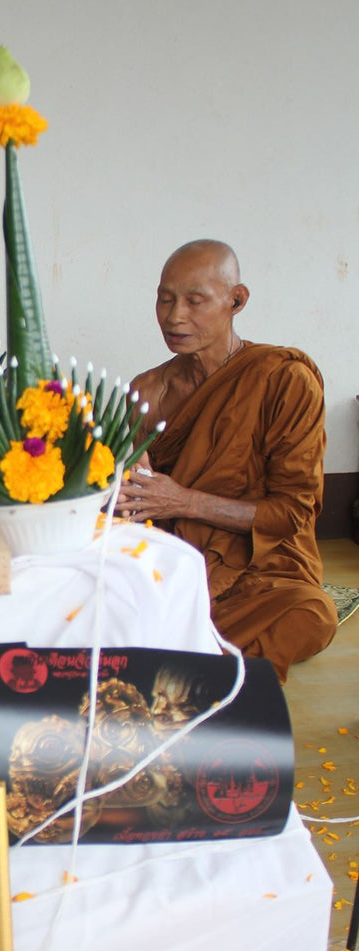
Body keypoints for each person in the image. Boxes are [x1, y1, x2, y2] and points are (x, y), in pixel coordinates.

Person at [117, 240, 337, 682]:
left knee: (312, 613)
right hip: (179, 561)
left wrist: (183, 502)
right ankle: (190, 653)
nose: (174, 316)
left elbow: (292, 512)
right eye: (165, 299)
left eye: (195, 301)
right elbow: (142, 509)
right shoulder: (148, 391)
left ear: (236, 301)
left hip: (263, 564)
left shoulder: (283, 380)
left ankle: (175, 658)